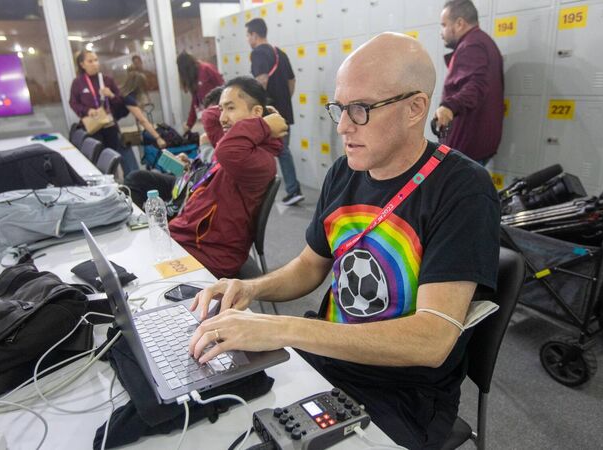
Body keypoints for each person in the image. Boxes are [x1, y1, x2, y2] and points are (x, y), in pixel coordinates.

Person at [187, 33, 500, 449]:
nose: (343, 126)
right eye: (339, 107)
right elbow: (309, 265)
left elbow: (432, 338)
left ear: (415, 108)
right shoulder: (344, 171)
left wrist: (282, 327)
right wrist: (250, 288)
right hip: (326, 358)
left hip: (399, 393)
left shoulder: (462, 189)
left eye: (360, 109)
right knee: (210, 416)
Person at [168, 76, 287, 278]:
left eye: (230, 108)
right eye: (221, 109)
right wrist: (261, 120)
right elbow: (209, 117)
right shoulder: (240, 144)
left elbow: (225, 149)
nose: (222, 117)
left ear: (257, 113)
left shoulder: (259, 158)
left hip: (207, 253)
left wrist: (262, 125)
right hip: (189, 238)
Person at [123, 86, 225, 208]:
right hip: (186, 181)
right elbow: (203, 166)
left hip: (195, 190)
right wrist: (190, 164)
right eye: (207, 118)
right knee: (135, 179)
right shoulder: (210, 137)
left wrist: (205, 147)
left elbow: (216, 172)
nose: (209, 124)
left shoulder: (230, 143)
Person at [435, 0, 504, 166]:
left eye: (444, 25)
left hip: (467, 147)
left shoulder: (471, 45)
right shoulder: (483, 41)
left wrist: (449, 106)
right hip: (477, 144)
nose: (441, 32)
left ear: (459, 23)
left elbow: (477, 85)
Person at [246, 18, 304, 206]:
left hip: (268, 113)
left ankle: (265, 193)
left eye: (248, 35)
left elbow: (262, 81)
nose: (247, 39)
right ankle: (292, 190)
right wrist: (283, 102)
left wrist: (258, 109)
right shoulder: (280, 53)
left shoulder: (257, 53)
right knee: (282, 149)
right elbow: (291, 82)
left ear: (254, 34)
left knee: (266, 151)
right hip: (283, 111)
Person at [69, 50, 140, 174]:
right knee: (99, 160)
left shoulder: (107, 80)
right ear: (82, 64)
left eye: (96, 60)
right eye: (90, 61)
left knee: (115, 157)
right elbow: (73, 103)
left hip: (110, 126)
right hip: (93, 128)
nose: (94, 64)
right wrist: (87, 110)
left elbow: (120, 102)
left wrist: (111, 95)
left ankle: (124, 179)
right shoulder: (78, 83)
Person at [115, 70, 167, 149]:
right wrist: (158, 138)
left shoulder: (122, 94)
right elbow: (142, 120)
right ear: (140, 86)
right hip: (109, 128)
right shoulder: (128, 98)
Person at [177, 52, 224, 135]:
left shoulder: (206, 69)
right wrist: (189, 124)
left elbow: (223, 86)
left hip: (220, 112)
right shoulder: (193, 78)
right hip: (209, 116)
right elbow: (195, 102)